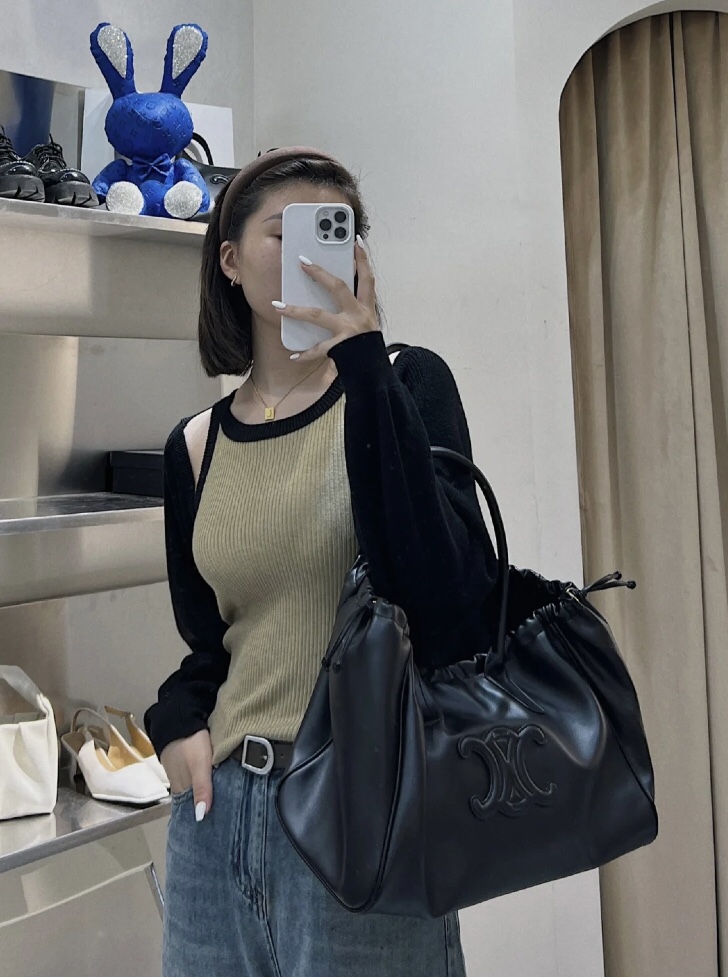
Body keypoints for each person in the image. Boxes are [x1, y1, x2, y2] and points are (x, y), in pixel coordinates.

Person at [144, 147, 498, 977]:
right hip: (217, 819)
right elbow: (214, 641)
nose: (316, 249)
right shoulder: (193, 445)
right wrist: (175, 722)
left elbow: (450, 600)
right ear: (230, 261)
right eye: (285, 230)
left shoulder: (406, 384)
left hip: (363, 811)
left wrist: (364, 364)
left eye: (339, 228)